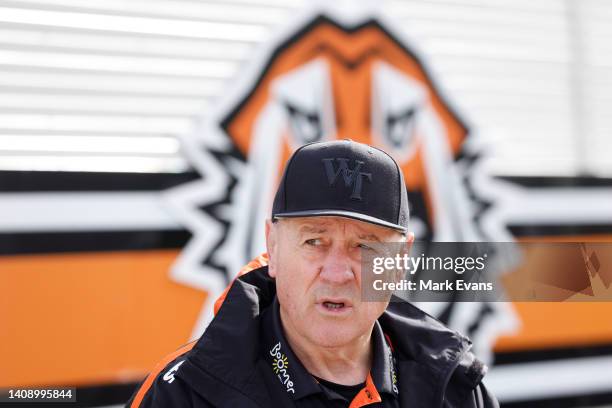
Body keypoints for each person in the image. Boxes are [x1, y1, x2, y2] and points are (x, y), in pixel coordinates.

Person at [126, 140, 498, 407]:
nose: (337, 274)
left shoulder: (456, 386)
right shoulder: (185, 393)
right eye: (314, 241)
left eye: (365, 246)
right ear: (272, 246)